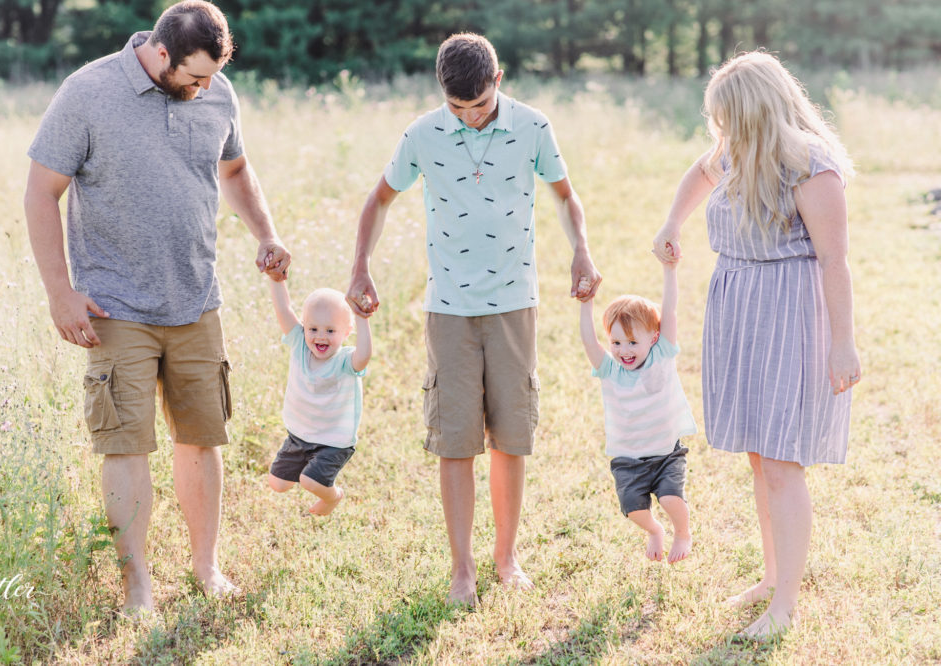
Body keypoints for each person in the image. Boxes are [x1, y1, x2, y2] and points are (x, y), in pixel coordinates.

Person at [23, 0, 290, 615]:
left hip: (196, 298)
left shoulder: (217, 93)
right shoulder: (87, 92)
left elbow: (237, 168)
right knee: (125, 445)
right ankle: (137, 583)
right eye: (194, 78)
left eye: (212, 77)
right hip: (115, 307)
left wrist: (266, 234)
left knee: (202, 438)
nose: (203, 91)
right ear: (161, 53)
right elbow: (41, 193)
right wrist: (61, 293)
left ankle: (206, 567)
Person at [346, 33, 602, 605]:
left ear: (500, 81)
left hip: (515, 303)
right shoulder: (422, 133)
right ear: (444, 95)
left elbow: (565, 195)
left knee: (511, 439)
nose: (471, 117)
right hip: (449, 311)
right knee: (456, 442)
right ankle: (462, 568)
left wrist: (581, 247)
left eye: (480, 106)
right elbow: (379, 199)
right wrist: (360, 266)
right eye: (459, 108)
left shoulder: (533, 127)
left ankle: (505, 557)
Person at [652, 51, 860, 640]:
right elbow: (700, 171)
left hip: (789, 313)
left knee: (781, 463)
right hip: (738, 309)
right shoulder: (738, 150)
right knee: (758, 456)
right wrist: (672, 224)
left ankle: (784, 605)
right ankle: (772, 578)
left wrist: (842, 344)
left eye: (727, 118)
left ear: (755, 111)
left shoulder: (811, 165)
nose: (720, 131)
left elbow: (835, 261)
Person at [578, 259, 697, 564]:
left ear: (653, 339)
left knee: (671, 498)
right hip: (628, 460)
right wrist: (587, 303)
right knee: (633, 509)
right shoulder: (610, 370)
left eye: (633, 342)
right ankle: (655, 530)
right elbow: (589, 340)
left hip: (665, 452)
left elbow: (668, 311)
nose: (624, 350)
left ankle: (682, 532)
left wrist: (670, 270)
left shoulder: (662, 355)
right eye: (616, 342)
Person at [265, 280, 372, 516]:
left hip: (334, 440)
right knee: (278, 483)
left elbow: (364, 356)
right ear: (304, 328)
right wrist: (278, 280)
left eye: (330, 331)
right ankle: (310, 471)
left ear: (346, 332)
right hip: (301, 434)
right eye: (313, 329)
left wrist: (363, 317)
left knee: (310, 481)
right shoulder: (299, 345)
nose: (320, 337)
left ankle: (333, 496)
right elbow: (284, 310)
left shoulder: (345, 361)